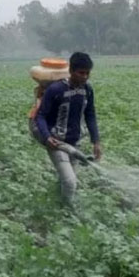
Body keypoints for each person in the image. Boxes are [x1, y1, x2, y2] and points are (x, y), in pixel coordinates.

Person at [35, 52, 102, 205]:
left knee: (66, 181)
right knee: (71, 182)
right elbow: (40, 116)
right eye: (81, 73)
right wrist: (47, 137)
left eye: (87, 73)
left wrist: (96, 141)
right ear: (71, 71)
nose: (85, 76)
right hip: (56, 143)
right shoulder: (56, 90)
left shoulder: (88, 90)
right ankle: (67, 213)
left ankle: (58, 202)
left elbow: (90, 114)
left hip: (74, 143)